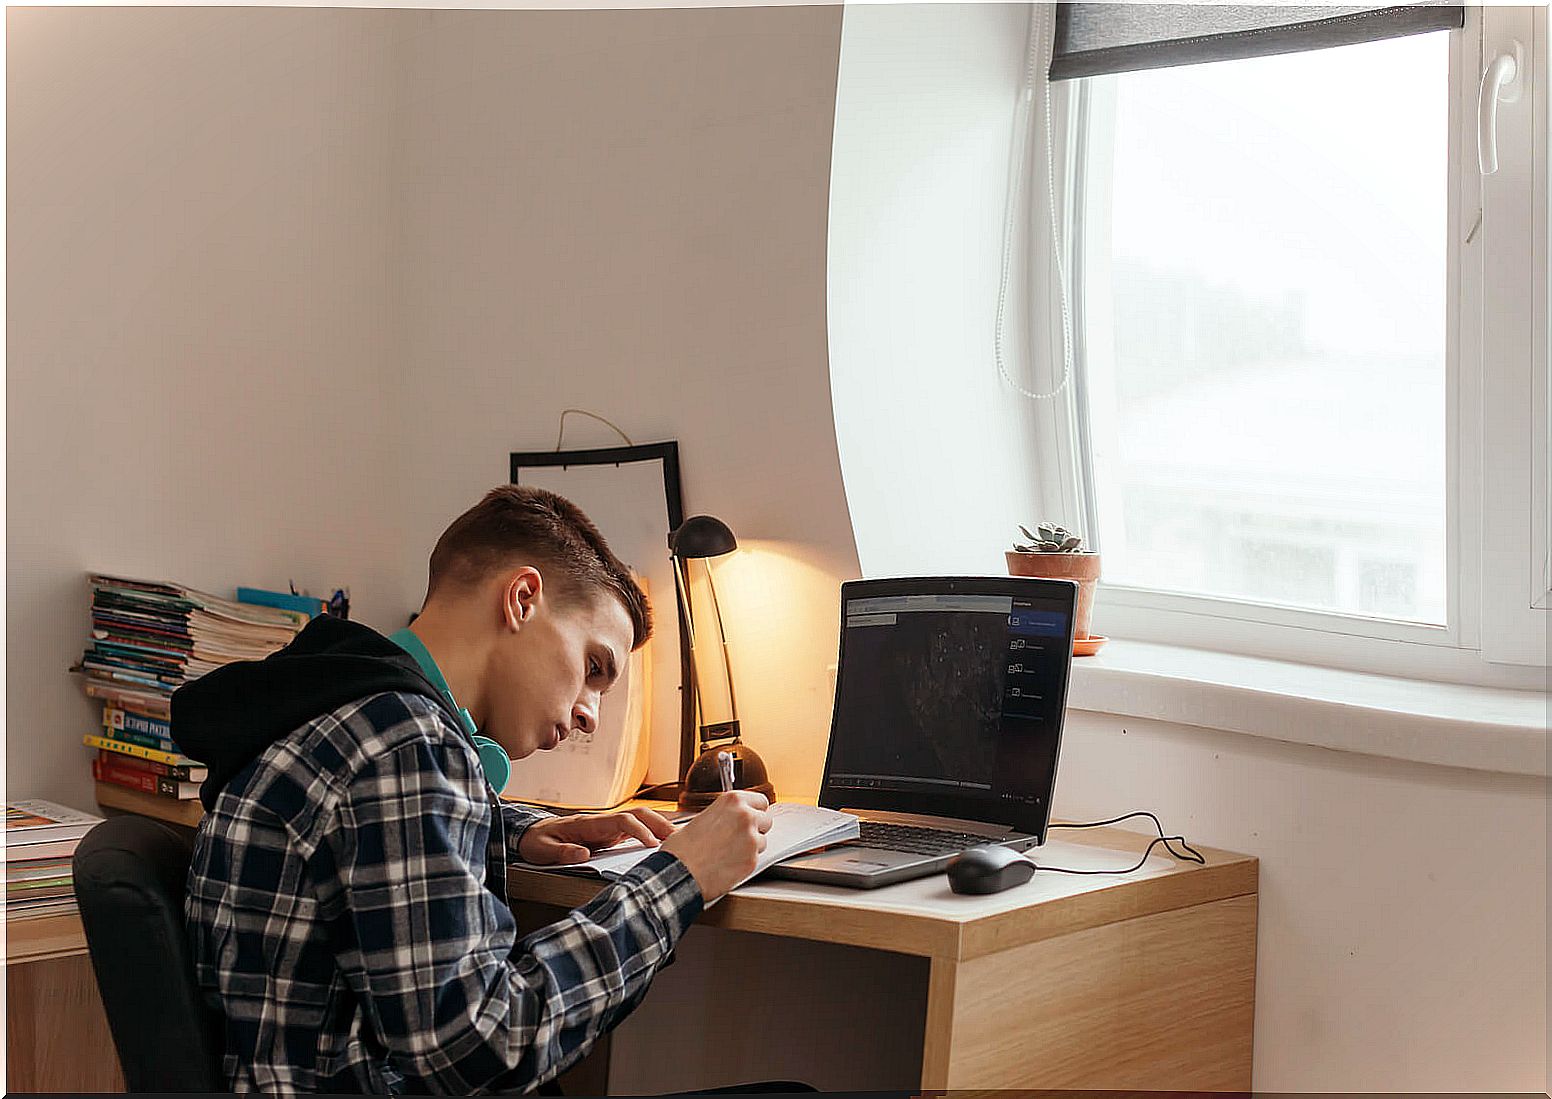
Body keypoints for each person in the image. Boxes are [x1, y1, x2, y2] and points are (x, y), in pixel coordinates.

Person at [173, 485, 774, 1094]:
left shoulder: (339, 702)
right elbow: (485, 1045)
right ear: (521, 599)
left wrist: (512, 829)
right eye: (595, 668)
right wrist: (680, 879)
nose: (591, 713)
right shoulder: (409, 746)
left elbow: (359, 832)